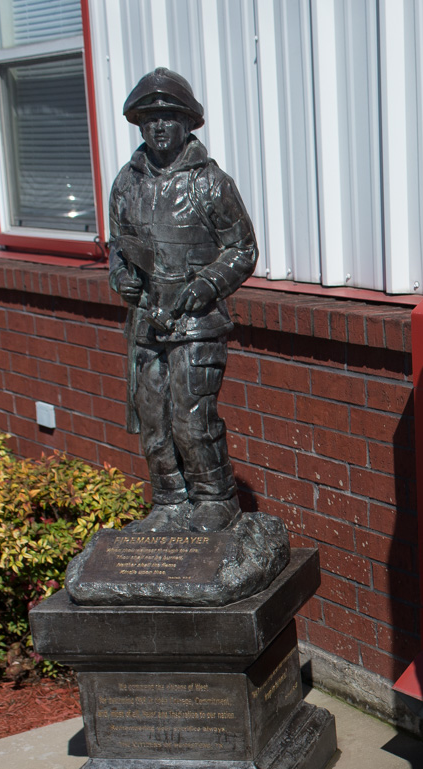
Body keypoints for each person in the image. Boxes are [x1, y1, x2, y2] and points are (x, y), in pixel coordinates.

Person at [108, 68, 258, 533]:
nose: (158, 127)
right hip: (147, 324)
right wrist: (122, 279)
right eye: (149, 118)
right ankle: (169, 500)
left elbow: (242, 249)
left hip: (197, 324)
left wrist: (202, 287)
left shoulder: (210, 183)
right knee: (154, 422)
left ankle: (216, 498)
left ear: (188, 122)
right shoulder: (126, 184)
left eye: (169, 117)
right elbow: (118, 247)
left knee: (191, 417)